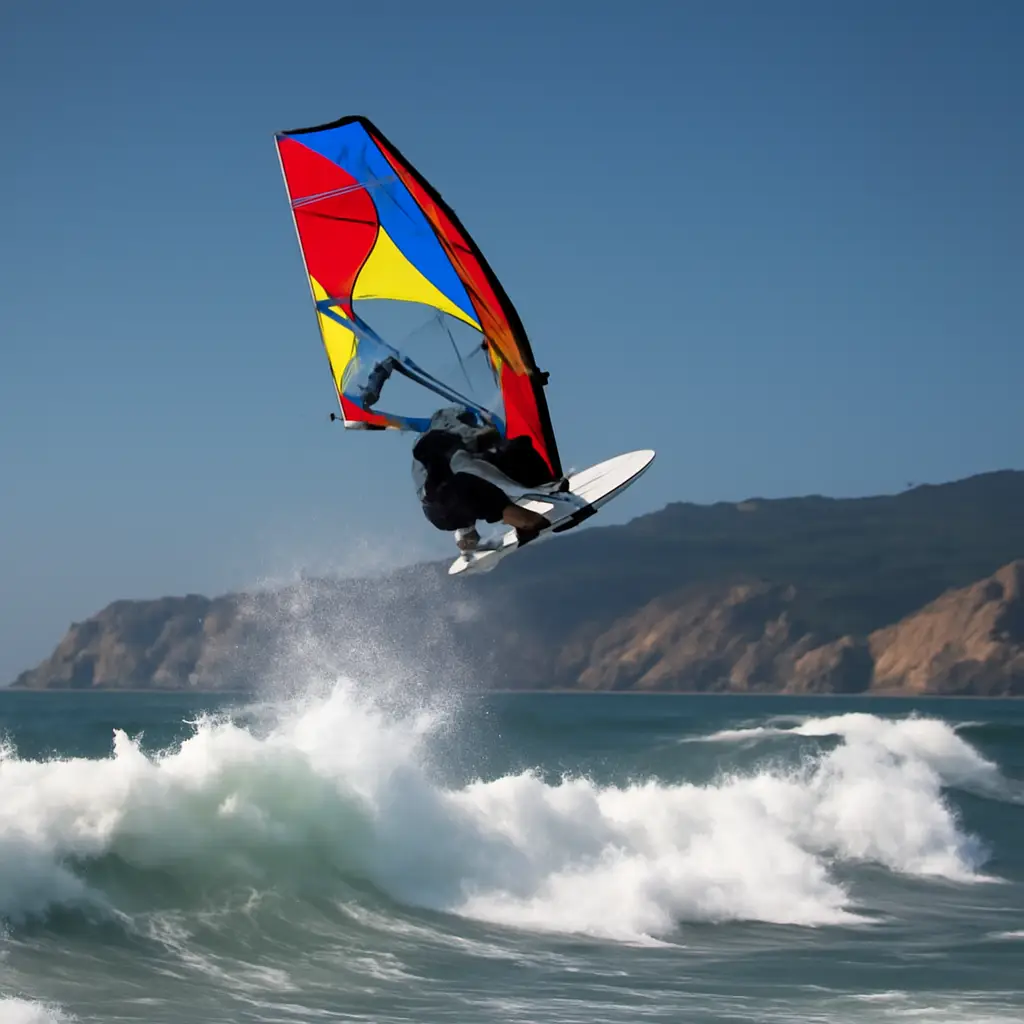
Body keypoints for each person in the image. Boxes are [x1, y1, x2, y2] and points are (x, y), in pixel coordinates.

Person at [411, 406, 565, 552]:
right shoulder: (444, 440)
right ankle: (521, 520)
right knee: (467, 483)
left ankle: (543, 484)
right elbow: (470, 469)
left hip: (458, 492)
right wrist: (529, 492)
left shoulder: (465, 433)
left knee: (516, 447)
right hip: (444, 512)